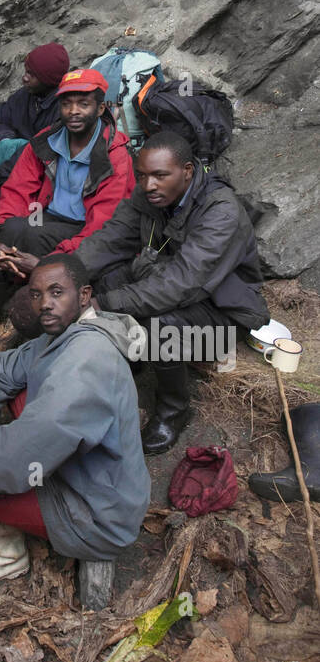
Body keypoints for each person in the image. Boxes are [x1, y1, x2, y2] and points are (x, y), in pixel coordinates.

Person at [0, 255, 150, 588]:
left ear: (85, 295)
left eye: (57, 292)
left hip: (98, 517)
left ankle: (5, 558)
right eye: (36, 294)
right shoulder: (66, 334)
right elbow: (1, 370)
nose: (44, 304)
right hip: (98, 482)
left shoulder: (86, 359)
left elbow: (26, 449)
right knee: (22, 391)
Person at [75, 131, 269, 455]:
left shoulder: (221, 211)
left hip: (222, 319)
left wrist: (102, 303)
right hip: (170, 285)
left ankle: (173, 410)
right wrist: (66, 278)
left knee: (161, 326)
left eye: (160, 175)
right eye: (142, 175)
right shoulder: (149, 196)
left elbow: (180, 286)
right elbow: (108, 242)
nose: (149, 185)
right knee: (104, 279)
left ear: (188, 172)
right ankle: (130, 360)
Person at [0, 68, 134, 351]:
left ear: (100, 108)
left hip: (84, 232)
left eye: (83, 103)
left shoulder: (115, 156)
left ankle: (29, 299)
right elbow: (14, 193)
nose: (73, 111)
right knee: (12, 229)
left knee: (29, 238)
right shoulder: (45, 142)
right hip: (46, 218)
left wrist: (46, 264)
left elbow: (102, 228)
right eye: (66, 103)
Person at [0, 41, 70, 180]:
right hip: (10, 164)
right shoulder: (26, 96)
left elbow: (37, 151)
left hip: (36, 172)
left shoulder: (63, 110)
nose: (24, 78)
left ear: (48, 81)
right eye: (26, 71)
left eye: (31, 75)